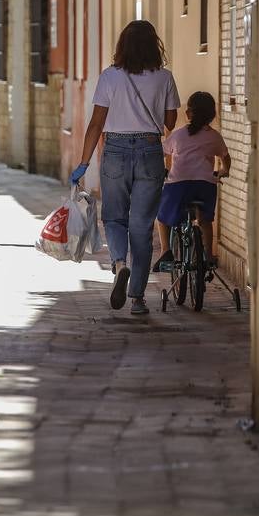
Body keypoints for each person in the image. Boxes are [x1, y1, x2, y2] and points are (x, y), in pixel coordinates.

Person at [70, 20, 179, 315]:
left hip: (115, 150)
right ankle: (138, 299)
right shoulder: (165, 78)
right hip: (149, 149)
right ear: (154, 45)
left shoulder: (109, 77)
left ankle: (119, 264)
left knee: (115, 218)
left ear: (122, 46)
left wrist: (83, 163)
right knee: (142, 226)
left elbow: (96, 123)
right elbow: (170, 124)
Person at [155, 92, 230, 270]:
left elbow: (162, 152)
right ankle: (209, 256)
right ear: (212, 115)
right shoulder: (214, 137)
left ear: (189, 113)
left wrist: (161, 171)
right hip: (205, 185)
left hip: (178, 185)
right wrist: (224, 171)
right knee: (205, 220)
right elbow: (225, 157)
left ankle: (166, 251)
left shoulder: (179, 135)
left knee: (162, 216)